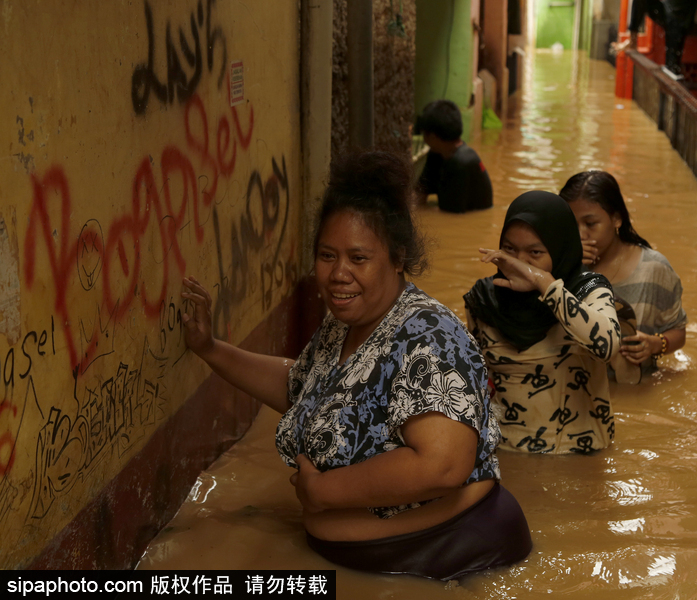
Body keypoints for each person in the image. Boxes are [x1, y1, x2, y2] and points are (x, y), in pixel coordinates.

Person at [181, 151, 531, 580]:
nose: (338, 274)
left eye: (358, 259)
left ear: (397, 258)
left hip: (449, 560)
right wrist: (211, 348)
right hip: (373, 567)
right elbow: (301, 387)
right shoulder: (343, 326)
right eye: (327, 256)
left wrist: (323, 491)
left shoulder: (431, 337)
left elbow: (442, 464)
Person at [463, 191, 620, 455]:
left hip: (579, 456)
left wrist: (545, 284)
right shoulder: (484, 299)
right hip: (505, 453)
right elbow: (478, 378)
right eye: (509, 249)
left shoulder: (589, 291)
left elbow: (608, 346)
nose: (519, 262)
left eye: (535, 252)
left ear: (560, 250)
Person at [559, 170, 687, 381]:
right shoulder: (560, 268)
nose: (580, 234)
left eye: (590, 224)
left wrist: (656, 344)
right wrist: (572, 269)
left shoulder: (654, 269)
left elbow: (678, 333)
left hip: (636, 388)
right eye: (572, 224)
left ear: (617, 219)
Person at [415, 99, 493, 213]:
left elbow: (451, 217)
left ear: (432, 137)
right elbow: (420, 195)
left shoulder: (461, 163)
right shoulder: (437, 153)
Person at [612, 0, 697, 78]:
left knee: (671, 70)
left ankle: (673, 70)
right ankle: (633, 41)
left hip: (680, 21)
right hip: (667, 12)